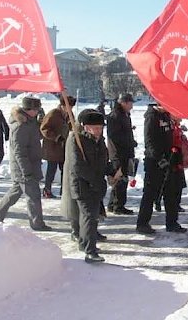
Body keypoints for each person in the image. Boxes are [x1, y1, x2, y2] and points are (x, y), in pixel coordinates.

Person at [0, 96, 52, 231]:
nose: (37, 112)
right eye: (36, 110)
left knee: (15, 192)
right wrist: (26, 171)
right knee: (33, 196)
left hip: (30, 164)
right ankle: (37, 224)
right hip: (24, 166)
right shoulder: (20, 126)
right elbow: (19, 151)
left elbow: (36, 137)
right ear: (28, 110)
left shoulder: (30, 122)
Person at [62, 109, 114, 263]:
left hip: (96, 185)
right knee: (89, 217)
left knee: (91, 216)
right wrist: (94, 180)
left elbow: (103, 160)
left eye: (100, 128)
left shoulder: (99, 140)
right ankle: (90, 252)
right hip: (82, 185)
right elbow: (78, 166)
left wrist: (111, 170)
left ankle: (85, 244)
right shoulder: (75, 139)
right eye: (95, 128)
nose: (98, 131)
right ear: (85, 127)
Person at [136, 103, 187, 234]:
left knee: (171, 193)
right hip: (154, 162)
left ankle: (172, 222)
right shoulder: (151, 117)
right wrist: (159, 159)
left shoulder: (166, 115)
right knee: (150, 194)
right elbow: (149, 141)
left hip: (169, 159)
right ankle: (142, 223)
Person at [106, 93, 137, 215]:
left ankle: (113, 204)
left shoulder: (124, 115)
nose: (132, 106)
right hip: (118, 153)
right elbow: (114, 135)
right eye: (130, 103)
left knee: (120, 179)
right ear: (123, 102)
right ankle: (118, 205)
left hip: (125, 152)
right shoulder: (115, 116)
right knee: (120, 179)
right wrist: (128, 141)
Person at [40, 95, 76, 198]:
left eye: (72, 107)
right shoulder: (53, 113)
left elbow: (73, 126)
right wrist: (56, 137)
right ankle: (47, 190)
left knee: (65, 169)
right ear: (63, 105)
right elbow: (44, 128)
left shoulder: (69, 115)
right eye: (69, 106)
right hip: (53, 147)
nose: (70, 109)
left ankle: (64, 191)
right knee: (52, 169)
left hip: (64, 147)